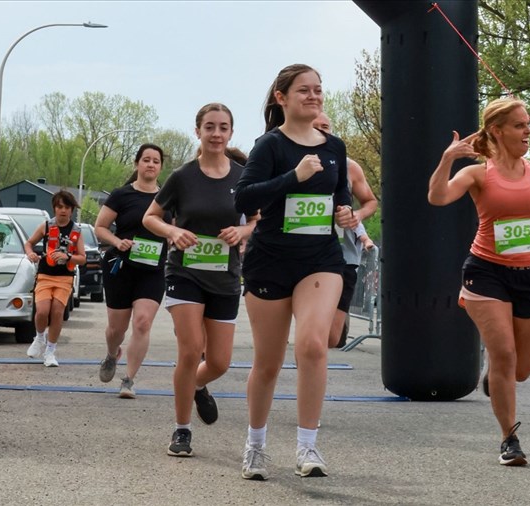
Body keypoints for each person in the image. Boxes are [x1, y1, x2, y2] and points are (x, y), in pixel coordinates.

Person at [428, 97, 530, 466]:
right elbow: (437, 197)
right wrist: (447, 159)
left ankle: (497, 377)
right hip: (487, 271)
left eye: (529, 125)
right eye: (520, 125)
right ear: (497, 130)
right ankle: (509, 437)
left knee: (520, 369)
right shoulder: (478, 173)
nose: (528, 131)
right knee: (504, 353)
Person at [234, 64, 357, 480]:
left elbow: (340, 195)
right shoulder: (269, 145)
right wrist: (293, 176)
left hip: (320, 259)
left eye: (318, 90)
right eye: (304, 90)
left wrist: (344, 212)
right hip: (270, 260)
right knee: (267, 363)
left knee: (312, 346)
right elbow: (245, 197)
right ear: (281, 98)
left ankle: (308, 448)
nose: (314, 96)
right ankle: (255, 446)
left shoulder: (334, 146)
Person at [142, 103, 257, 458]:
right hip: (184, 272)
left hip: (224, 276)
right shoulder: (183, 176)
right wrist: (173, 231)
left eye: (223, 127)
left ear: (231, 133)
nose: (216, 134)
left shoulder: (243, 177)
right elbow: (151, 218)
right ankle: (182, 430)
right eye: (210, 127)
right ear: (198, 132)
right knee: (190, 349)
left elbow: (259, 220)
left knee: (220, 361)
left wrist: (243, 230)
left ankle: (195, 386)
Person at [94, 144, 168, 399]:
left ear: (160, 167)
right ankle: (112, 352)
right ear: (137, 164)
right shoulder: (121, 195)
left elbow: (178, 229)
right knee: (117, 329)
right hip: (121, 266)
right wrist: (117, 242)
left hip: (152, 269)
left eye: (155, 161)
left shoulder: (168, 198)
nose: (150, 164)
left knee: (143, 322)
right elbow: (100, 227)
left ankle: (129, 380)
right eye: (146, 160)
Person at [311, 112, 378, 348]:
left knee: (331, 337)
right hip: (305, 252)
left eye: (326, 127)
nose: (321, 131)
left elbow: (370, 201)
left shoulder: (349, 166)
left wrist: (356, 215)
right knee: (311, 334)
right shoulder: (292, 161)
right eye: (315, 126)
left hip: (344, 256)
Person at [23, 190, 86, 368]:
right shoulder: (45, 226)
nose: (63, 211)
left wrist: (69, 258)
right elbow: (29, 243)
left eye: (66, 207)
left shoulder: (77, 231)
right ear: (54, 208)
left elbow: (82, 257)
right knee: (42, 311)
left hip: (65, 278)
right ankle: (40, 337)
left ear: (72, 209)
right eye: (59, 207)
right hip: (45, 275)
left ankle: (50, 351)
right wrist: (31, 254)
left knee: (57, 312)